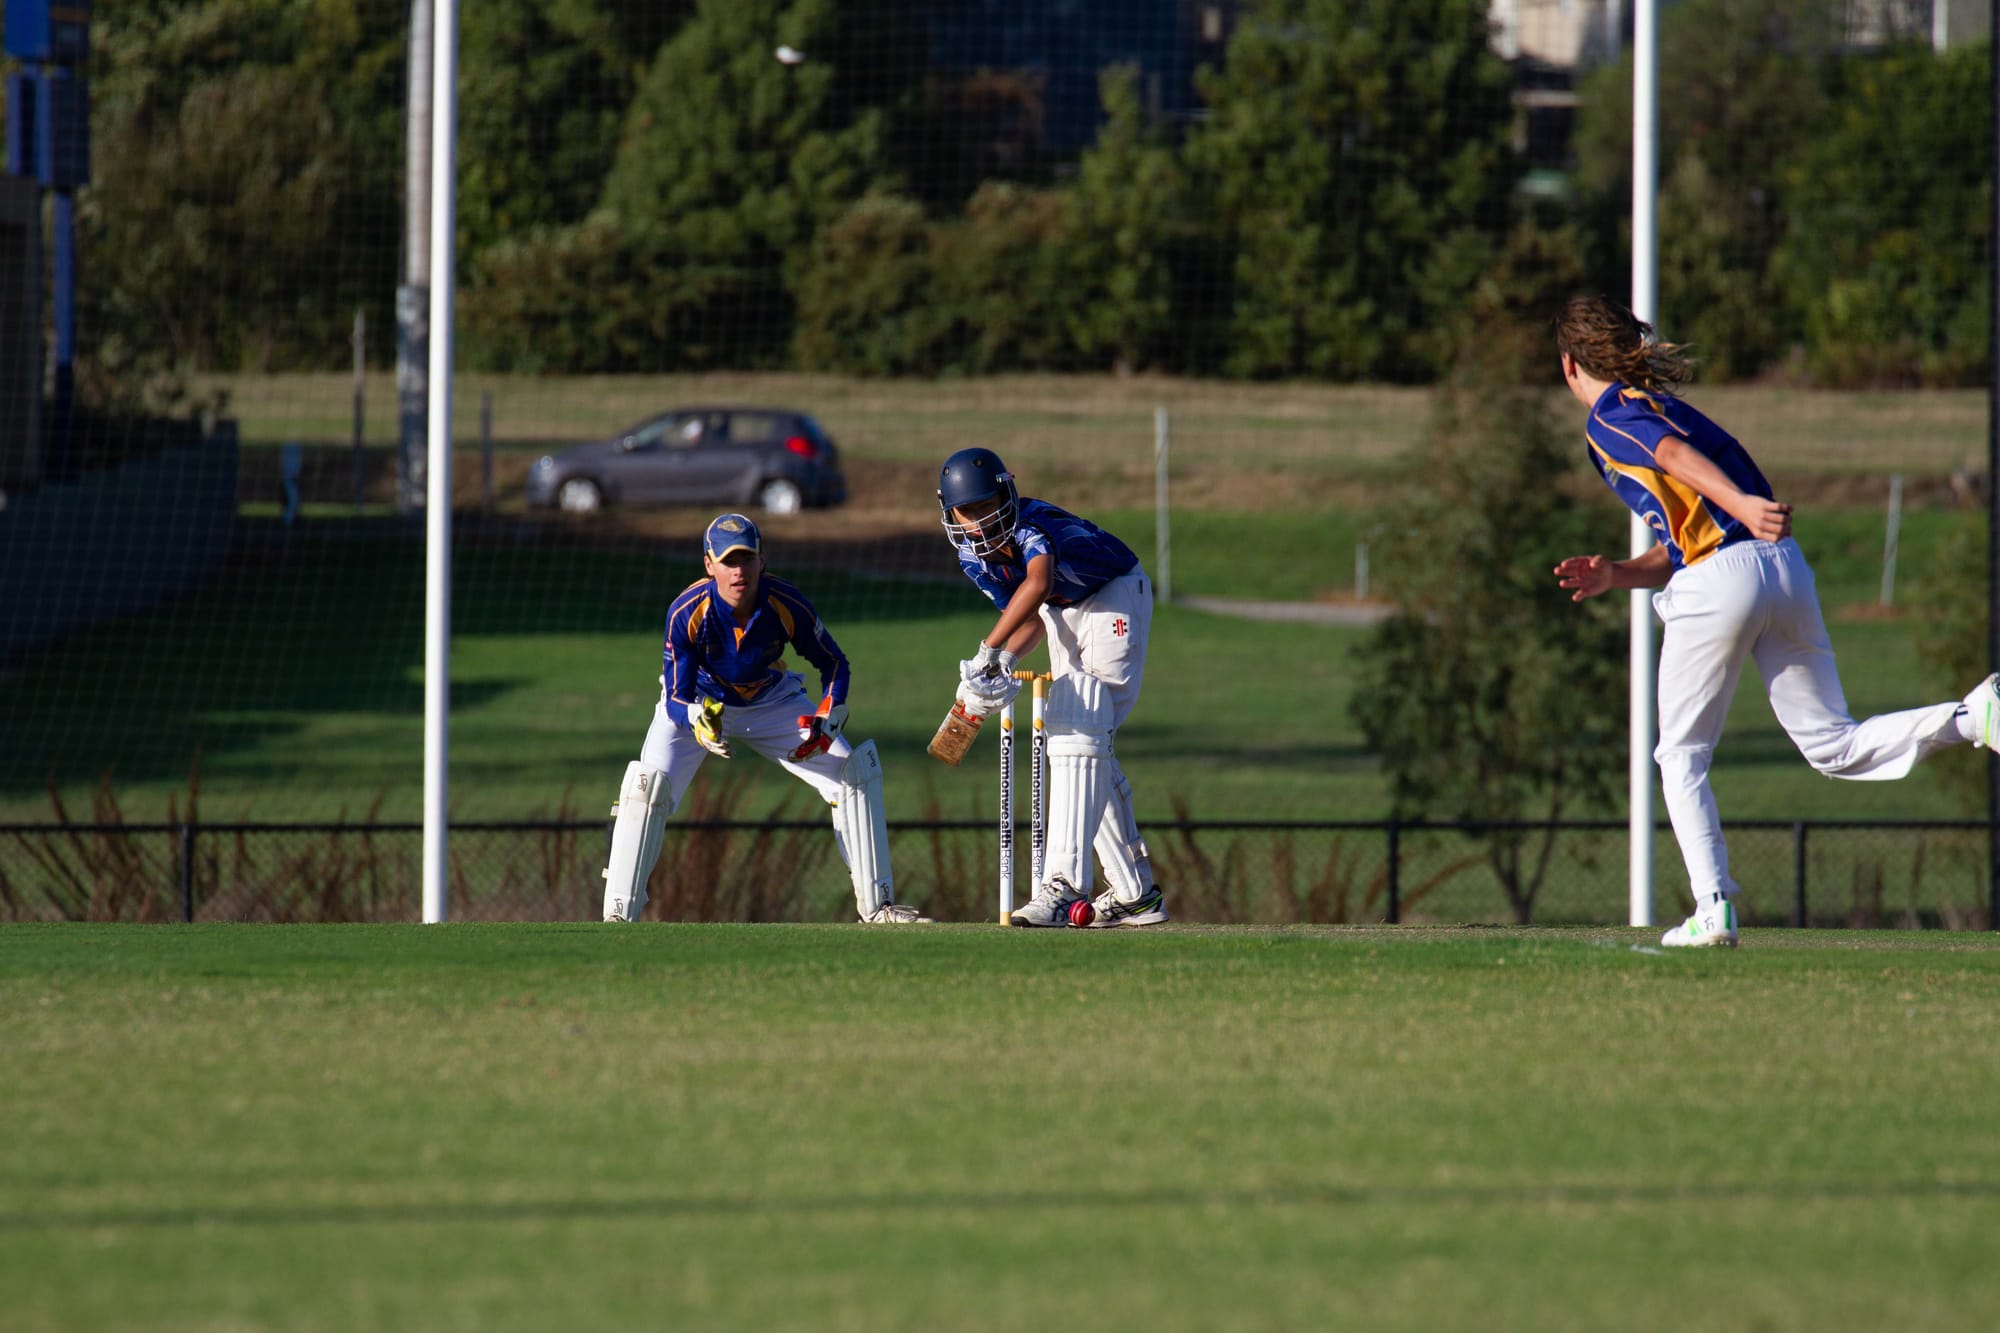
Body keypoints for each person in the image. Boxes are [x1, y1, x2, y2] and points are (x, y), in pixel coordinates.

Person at [1550, 295, 1998, 948]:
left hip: (1724, 577)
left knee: (1680, 754)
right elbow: (1686, 537)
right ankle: (1972, 716)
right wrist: (1618, 572)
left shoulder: (1610, 414)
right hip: (1781, 568)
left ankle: (1713, 908)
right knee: (1834, 745)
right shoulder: (1664, 404)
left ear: (1569, 365)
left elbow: (1673, 458)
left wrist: (1740, 503)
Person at [602, 513, 929, 924]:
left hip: (771, 701)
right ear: (709, 565)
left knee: (852, 774)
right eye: (728, 561)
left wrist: (829, 714)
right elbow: (676, 699)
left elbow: (834, 664)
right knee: (647, 790)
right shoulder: (687, 611)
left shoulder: (785, 602)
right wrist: (696, 721)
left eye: (747, 559)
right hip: (702, 705)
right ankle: (618, 915)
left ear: (762, 560)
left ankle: (879, 908)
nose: (738, 571)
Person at [937, 447, 1167, 928]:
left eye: (984, 507)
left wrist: (986, 649)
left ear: (1006, 493)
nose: (978, 523)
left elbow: (1037, 584)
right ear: (949, 513)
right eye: (967, 513)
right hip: (1061, 611)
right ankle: (1135, 894)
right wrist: (999, 663)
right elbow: (1028, 617)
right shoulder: (971, 556)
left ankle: (1063, 887)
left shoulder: (1030, 526)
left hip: (1114, 593)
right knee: (1078, 744)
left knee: (1078, 728)